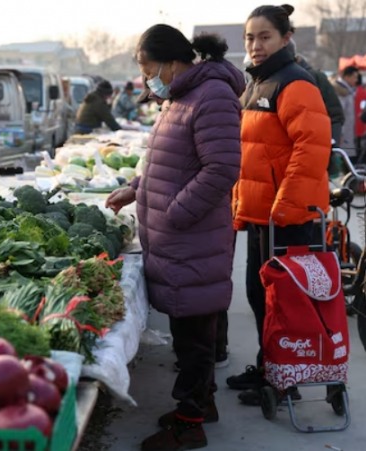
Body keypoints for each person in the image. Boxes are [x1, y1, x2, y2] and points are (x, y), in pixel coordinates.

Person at [106, 25, 244, 450]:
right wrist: (137, 186)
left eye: (149, 68)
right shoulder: (180, 97)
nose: (148, 77)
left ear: (172, 60)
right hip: (180, 237)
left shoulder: (212, 95)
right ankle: (203, 402)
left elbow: (221, 169)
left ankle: (189, 423)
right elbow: (167, 160)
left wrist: (175, 211)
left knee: (195, 334)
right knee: (190, 331)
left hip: (192, 236)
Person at [227, 4, 331, 406]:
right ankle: (269, 366)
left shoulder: (295, 83)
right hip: (262, 215)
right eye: (250, 38)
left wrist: (286, 205)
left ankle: (283, 380)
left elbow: (312, 149)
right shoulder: (257, 83)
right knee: (259, 295)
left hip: (285, 217)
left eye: (265, 36)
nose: (255, 45)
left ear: (286, 38)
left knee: (282, 302)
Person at [288, 39, 344, 146]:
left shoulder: (315, 78)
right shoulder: (268, 81)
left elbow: (335, 115)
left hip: (314, 148)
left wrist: (332, 145)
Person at [331, 65, 359, 156]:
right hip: (343, 135)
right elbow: (339, 114)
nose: (356, 80)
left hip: (347, 133)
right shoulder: (341, 92)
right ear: (347, 77)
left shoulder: (347, 91)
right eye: (354, 77)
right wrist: (340, 133)